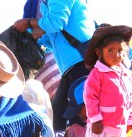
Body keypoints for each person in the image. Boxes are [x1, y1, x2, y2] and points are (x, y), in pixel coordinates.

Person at [13, 0, 96, 130]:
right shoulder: (46, 5)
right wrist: (37, 40)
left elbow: (56, 22)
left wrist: (28, 22)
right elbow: (54, 38)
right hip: (69, 68)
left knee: (80, 113)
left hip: (81, 63)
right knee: (58, 111)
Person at [82, 24, 132, 137]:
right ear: (99, 52)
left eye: (120, 50)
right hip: (102, 127)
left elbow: (129, 99)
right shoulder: (97, 74)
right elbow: (90, 97)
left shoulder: (125, 74)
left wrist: (131, 120)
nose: (116, 55)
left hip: (118, 126)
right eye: (110, 50)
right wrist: (95, 119)